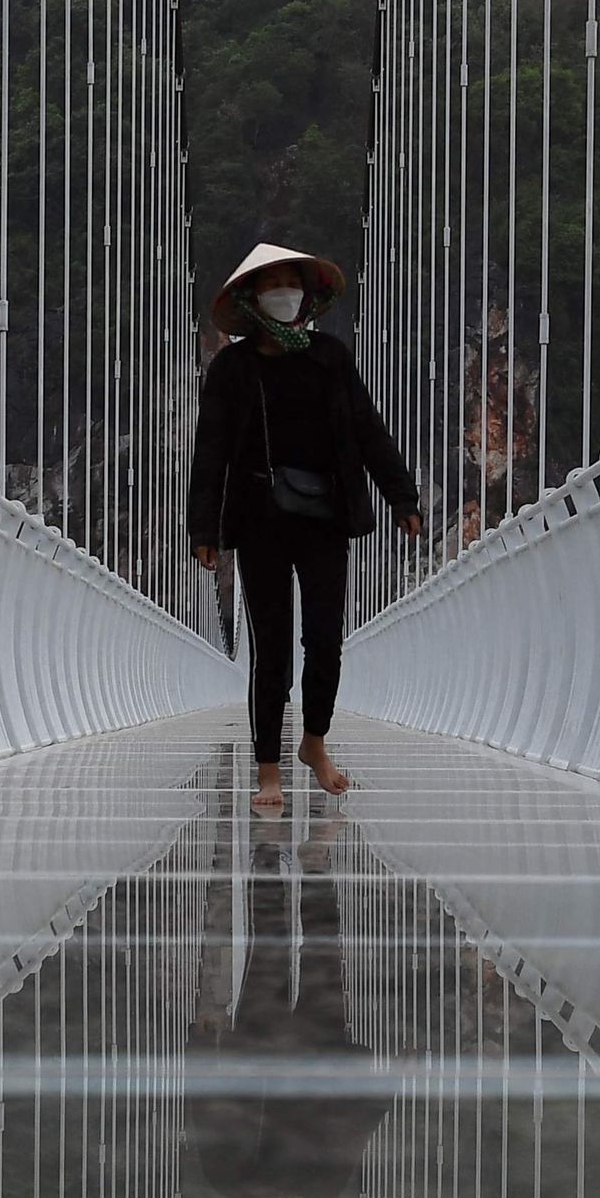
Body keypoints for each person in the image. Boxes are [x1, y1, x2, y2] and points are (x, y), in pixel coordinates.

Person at [184, 241, 424, 813]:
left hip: (325, 518)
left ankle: (314, 742)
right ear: (251, 298)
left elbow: (367, 428)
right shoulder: (233, 368)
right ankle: (268, 770)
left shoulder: (330, 357)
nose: (284, 294)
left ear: (307, 295)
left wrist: (401, 495)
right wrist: (205, 529)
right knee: (271, 650)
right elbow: (210, 449)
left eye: (291, 284)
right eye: (272, 286)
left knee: (324, 641)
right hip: (259, 521)